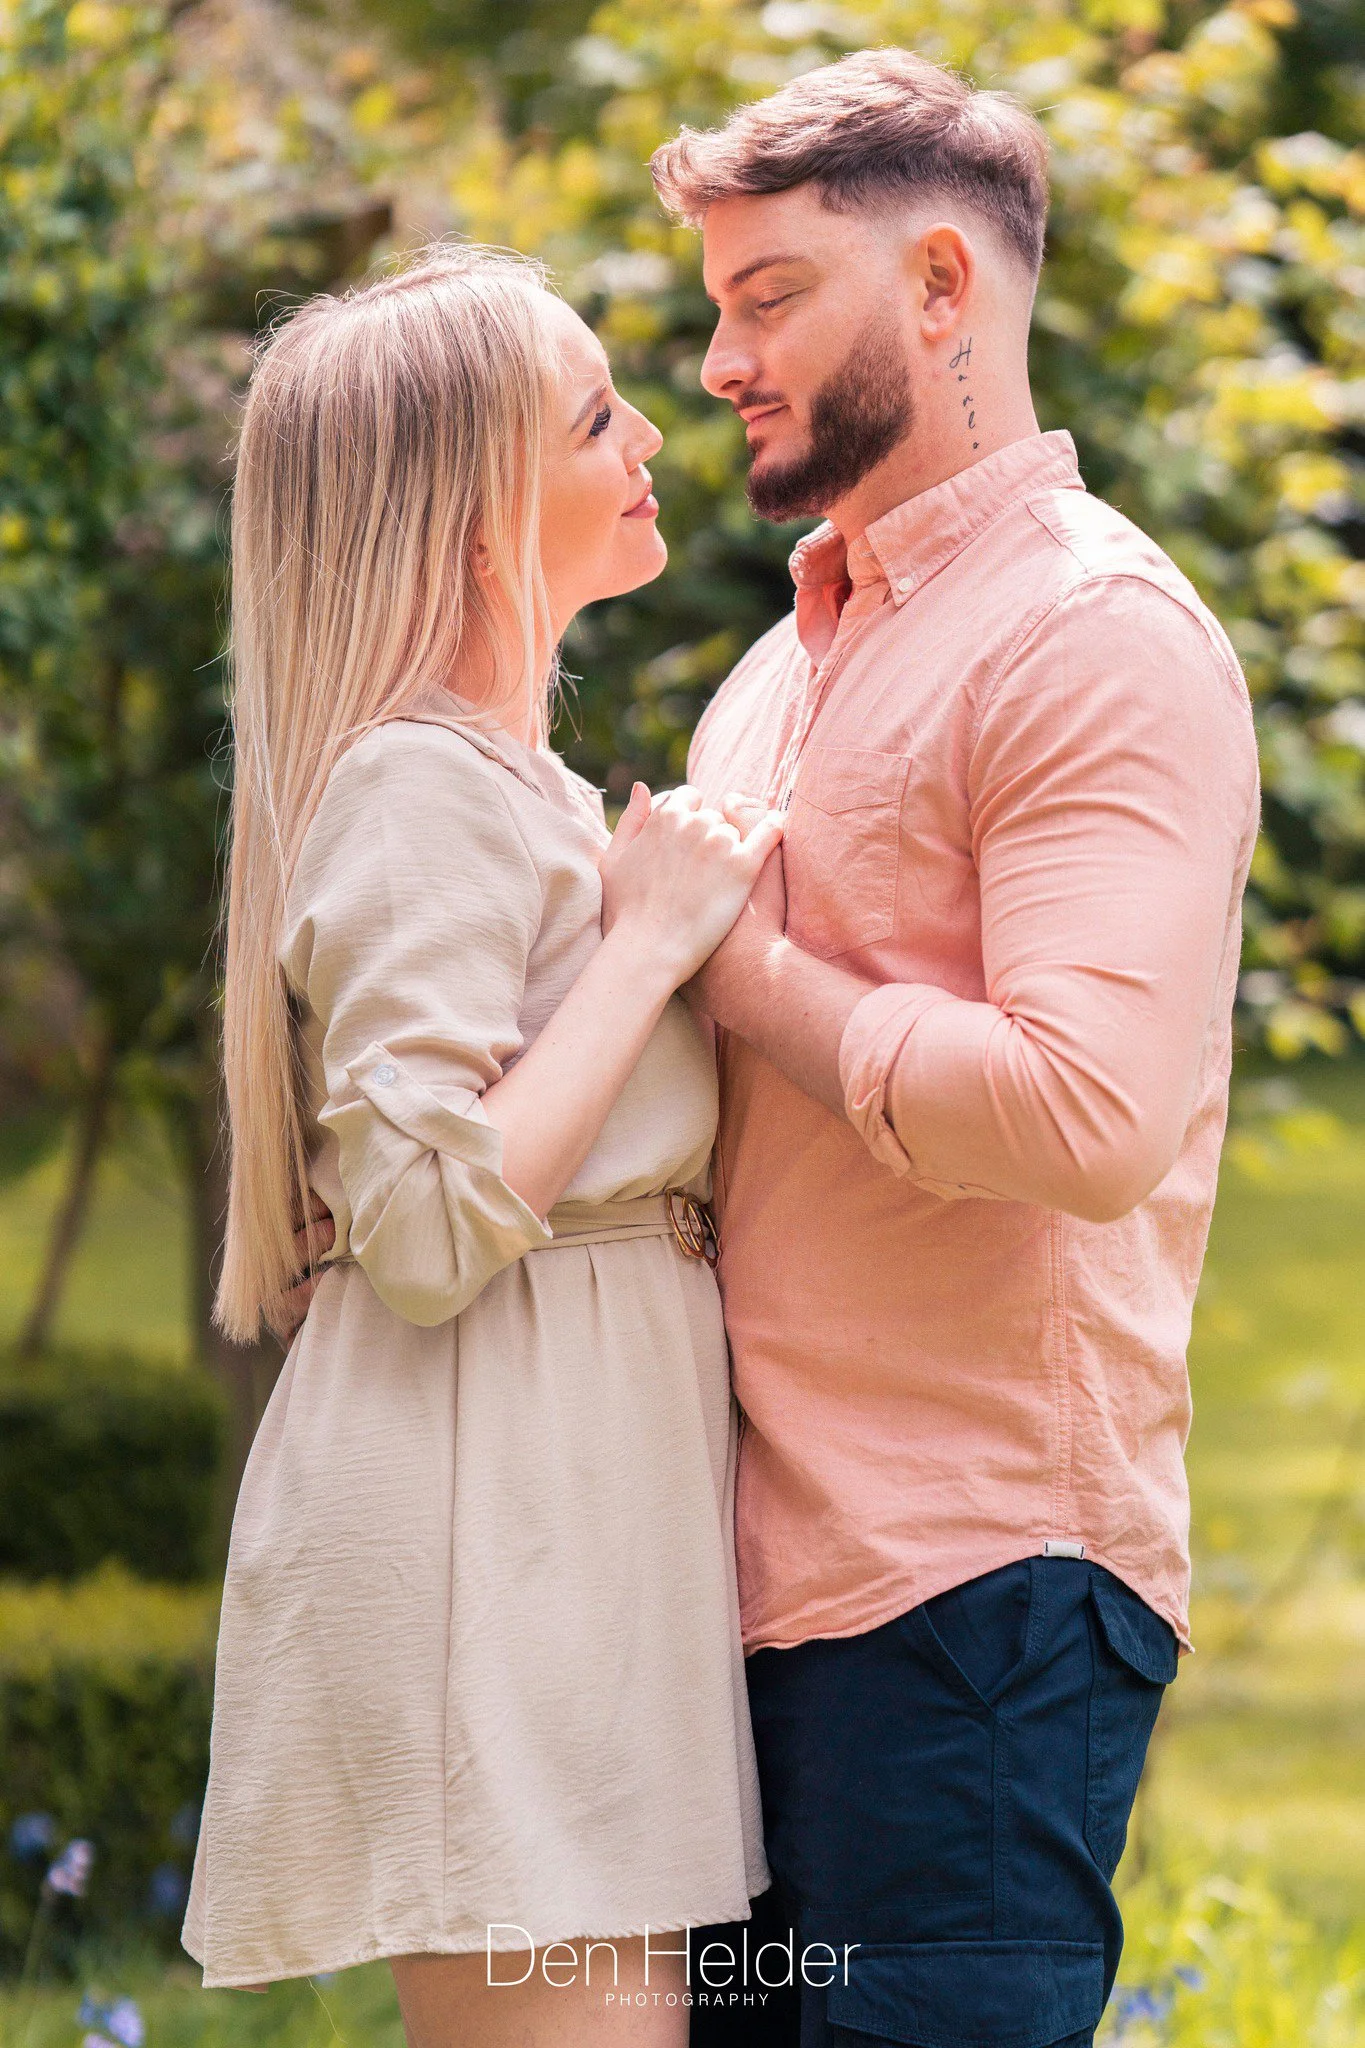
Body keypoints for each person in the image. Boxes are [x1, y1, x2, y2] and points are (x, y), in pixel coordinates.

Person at [646, 48, 1261, 2048]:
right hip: (732, 1602)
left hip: (970, 1600)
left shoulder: (1090, 635)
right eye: (713, 304)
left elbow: (1088, 1116)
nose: (718, 357)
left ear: (938, 285)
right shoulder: (774, 665)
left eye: (767, 299)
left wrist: (739, 978)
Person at [181, 244, 782, 2047]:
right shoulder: (416, 785)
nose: (651, 432)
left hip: (565, 1523)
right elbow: (430, 1224)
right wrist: (653, 943)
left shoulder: (500, 784)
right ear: (470, 520)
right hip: (491, 1554)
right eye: (598, 415)